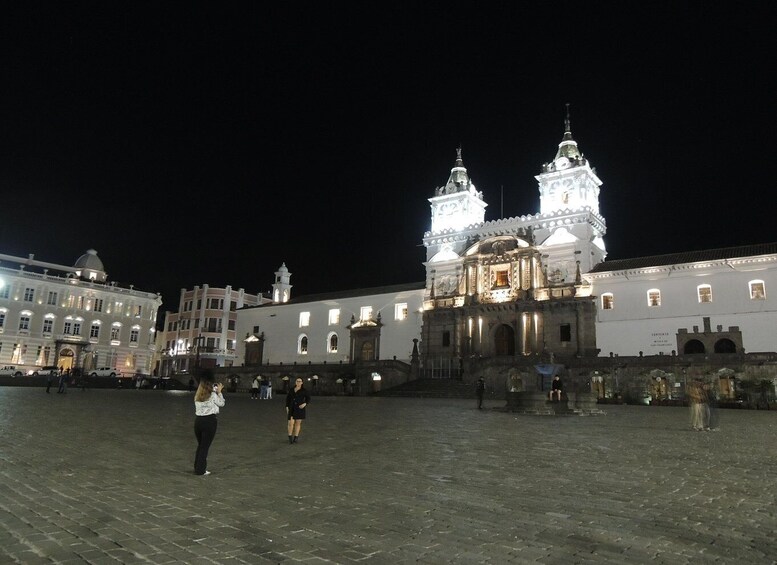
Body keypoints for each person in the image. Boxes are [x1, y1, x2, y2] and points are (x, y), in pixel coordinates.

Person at [193, 370, 225, 476]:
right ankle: (200, 470)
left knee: (201, 445)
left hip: (198, 421)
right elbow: (221, 403)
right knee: (205, 447)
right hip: (209, 421)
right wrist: (219, 392)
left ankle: (197, 466)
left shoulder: (197, 396)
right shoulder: (213, 395)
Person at [285, 377, 310, 444]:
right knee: (290, 423)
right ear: (295, 382)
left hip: (299, 408)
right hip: (291, 408)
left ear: (302, 382)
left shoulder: (304, 390)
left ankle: (296, 437)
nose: (298, 382)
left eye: (300, 381)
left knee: (298, 423)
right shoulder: (291, 389)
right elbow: (288, 399)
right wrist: (287, 407)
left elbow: (308, 399)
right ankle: (290, 437)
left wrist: (305, 404)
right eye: (297, 381)